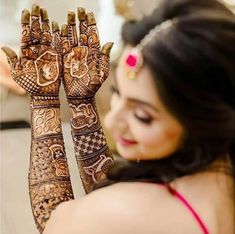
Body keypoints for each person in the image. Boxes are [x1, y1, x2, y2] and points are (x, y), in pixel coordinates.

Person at [2, 0, 235, 233]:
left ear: (205, 119)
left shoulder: (122, 210)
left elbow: (56, 219)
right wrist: (81, 102)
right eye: (117, 93)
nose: (111, 121)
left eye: (143, 116)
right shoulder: (219, 185)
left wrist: (45, 101)